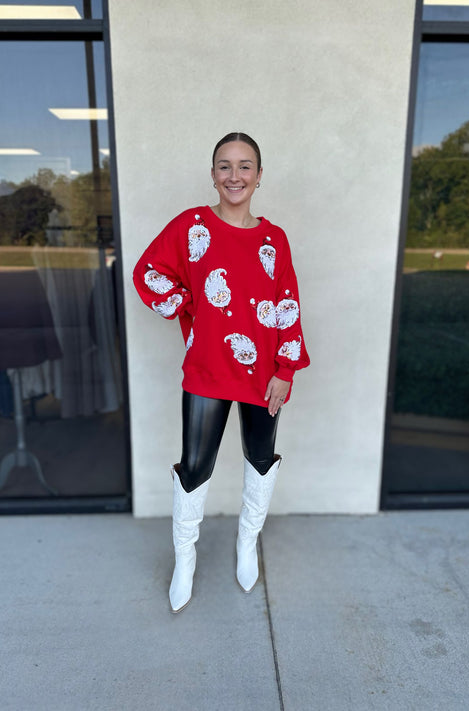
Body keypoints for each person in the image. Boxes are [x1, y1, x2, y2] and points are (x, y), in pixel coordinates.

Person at [133, 132, 310, 613]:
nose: (235, 175)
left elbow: (286, 303)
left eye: (245, 166)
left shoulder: (274, 239)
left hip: (263, 375)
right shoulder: (192, 226)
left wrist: (286, 369)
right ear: (212, 174)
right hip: (209, 369)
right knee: (195, 466)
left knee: (258, 458)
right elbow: (149, 272)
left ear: (258, 175)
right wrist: (186, 306)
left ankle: (246, 543)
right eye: (225, 166)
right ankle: (185, 559)